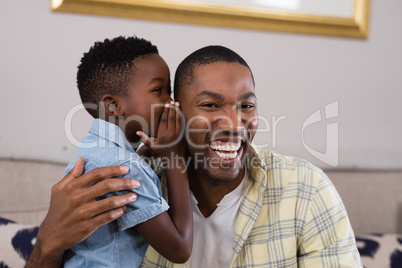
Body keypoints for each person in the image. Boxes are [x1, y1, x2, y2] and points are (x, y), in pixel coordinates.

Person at [26, 45, 362, 267]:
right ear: (175, 111)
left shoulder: (307, 189)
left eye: (246, 106)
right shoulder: (125, 180)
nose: (233, 123)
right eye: (210, 105)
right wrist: (47, 245)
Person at [40, 36, 193, 268]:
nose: (171, 102)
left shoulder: (93, 150)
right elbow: (180, 248)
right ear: (113, 106)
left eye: (168, 90)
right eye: (158, 90)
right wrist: (174, 158)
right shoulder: (124, 167)